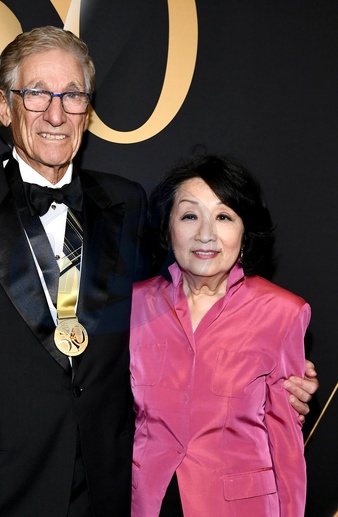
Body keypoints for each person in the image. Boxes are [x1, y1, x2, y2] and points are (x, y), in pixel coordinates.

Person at [0, 27, 316, 517]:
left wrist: (275, 379)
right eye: (37, 93)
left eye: (72, 95)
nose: (56, 114)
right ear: (5, 106)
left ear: (88, 110)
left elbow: (177, 320)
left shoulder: (128, 204)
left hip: (109, 495)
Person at [130, 153, 311, 516]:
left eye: (224, 216)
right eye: (190, 216)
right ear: (168, 228)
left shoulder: (283, 312)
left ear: (244, 233)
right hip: (149, 501)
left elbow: (286, 441)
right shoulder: (133, 304)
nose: (206, 234)